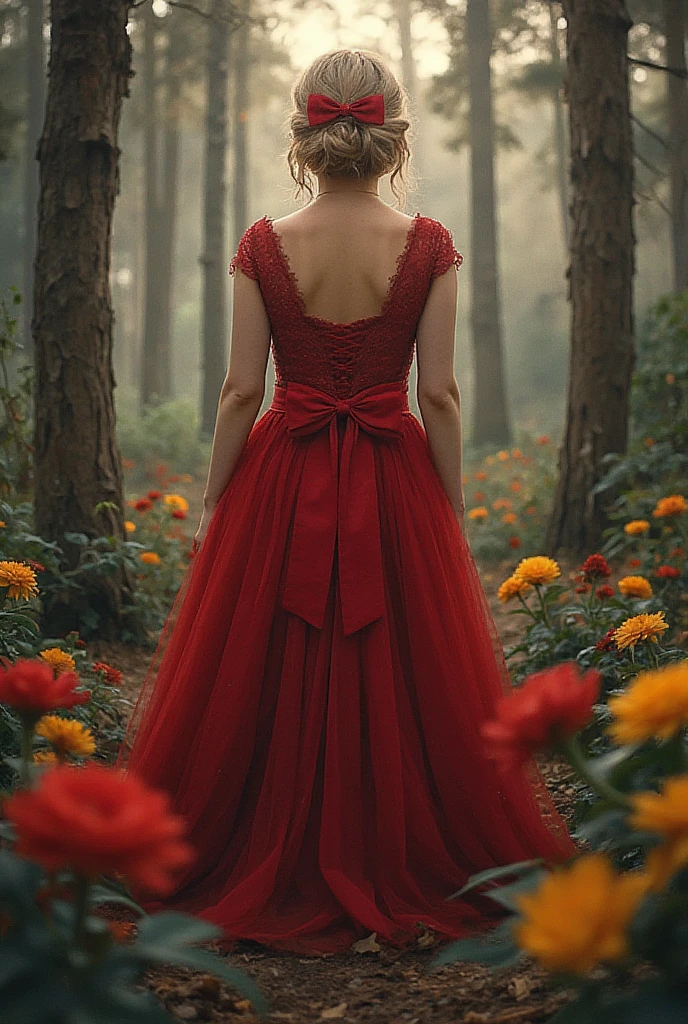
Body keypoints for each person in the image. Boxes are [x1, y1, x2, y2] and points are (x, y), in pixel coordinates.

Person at [116, 47, 576, 957]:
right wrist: (444, 507)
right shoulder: (430, 245)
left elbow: (240, 392)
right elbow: (438, 394)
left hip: (282, 472)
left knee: (266, 664)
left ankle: (261, 845)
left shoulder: (261, 245)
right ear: (392, 135)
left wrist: (218, 501)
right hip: (390, 471)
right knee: (405, 670)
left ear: (306, 136)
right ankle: (396, 847)